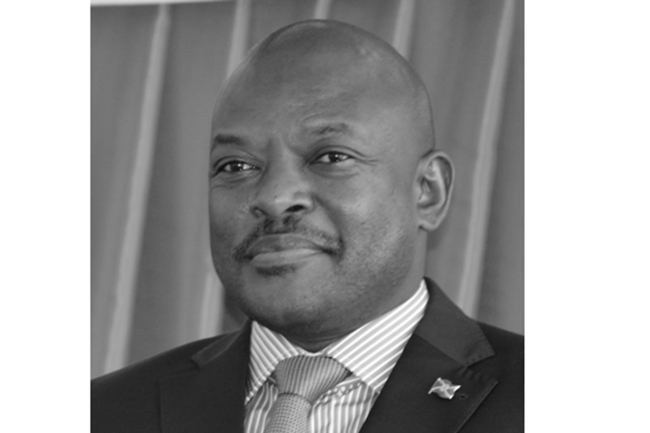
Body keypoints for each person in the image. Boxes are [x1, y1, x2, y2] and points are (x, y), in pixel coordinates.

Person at [92, 20, 523, 433]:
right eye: (236, 166)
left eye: (331, 157)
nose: (275, 196)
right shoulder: (103, 414)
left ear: (427, 192)